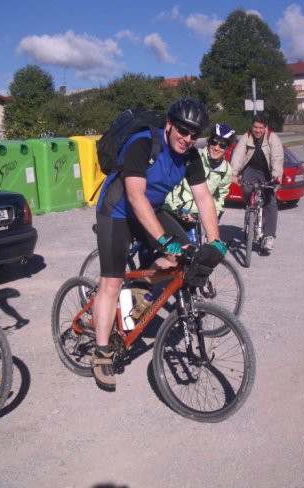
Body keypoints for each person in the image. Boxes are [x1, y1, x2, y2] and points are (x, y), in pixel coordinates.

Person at [92, 99, 227, 391]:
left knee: (183, 257)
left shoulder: (191, 156)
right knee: (111, 284)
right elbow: (135, 195)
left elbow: (204, 198)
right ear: (168, 125)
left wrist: (215, 241)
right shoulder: (143, 144)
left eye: (194, 134)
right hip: (117, 211)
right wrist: (164, 241)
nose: (187, 138)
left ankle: (140, 288)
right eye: (182, 130)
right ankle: (101, 352)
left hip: (151, 210)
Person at [229, 114, 284, 252]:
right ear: (251, 126)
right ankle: (250, 209)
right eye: (255, 127)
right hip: (251, 169)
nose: (258, 130)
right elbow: (238, 155)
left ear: (265, 128)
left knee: (270, 201)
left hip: (267, 172)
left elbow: (277, 158)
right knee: (247, 190)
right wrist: (233, 173)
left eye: (261, 127)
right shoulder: (246, 137)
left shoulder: (273, 138)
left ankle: (269, 236)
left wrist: (276, 174)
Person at [164, 123, 235, 222]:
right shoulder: (194, 157)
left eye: (222, 145)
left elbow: (220, 196)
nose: (217, 148)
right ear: (209, 141)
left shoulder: (226, 169)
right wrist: (174, 208)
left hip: (201, 214)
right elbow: (175, 184)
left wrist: (215, 213)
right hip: (179, 208)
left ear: (227, 148)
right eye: (214, 142)